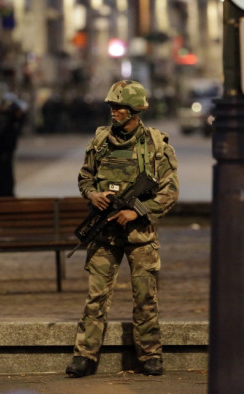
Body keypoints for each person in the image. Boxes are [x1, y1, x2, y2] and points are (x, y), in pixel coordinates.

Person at [66, 80, 179, 378]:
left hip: (140, 235)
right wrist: (93, 194)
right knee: (96, 297)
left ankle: (151, 355)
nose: (114, 112)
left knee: (145, 296)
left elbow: (169, 192)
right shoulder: (100, 141)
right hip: (104, 234)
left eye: (119, 107)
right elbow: (84, 178)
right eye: (112, 107)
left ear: (134, 110)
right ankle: (85, 356)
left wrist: (136, 211)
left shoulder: (156, 144)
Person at [0, 93, 27, 196]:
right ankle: (4, 194)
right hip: (3, 152)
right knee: (3, 175)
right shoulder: (6, 120)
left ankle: (0, 193)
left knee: (0, 174)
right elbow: (3, 135)